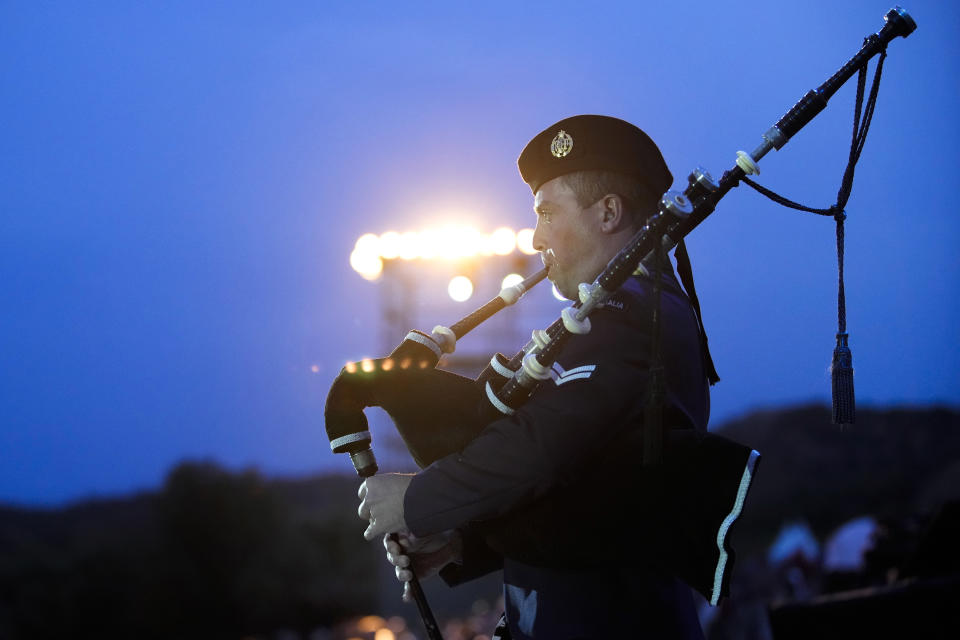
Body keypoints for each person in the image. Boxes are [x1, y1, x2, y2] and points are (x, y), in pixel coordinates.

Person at [358, 115, 712, 639]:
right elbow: (587, 495)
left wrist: (416, 500)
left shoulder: (631, 317)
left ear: (609, 212)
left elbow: (539, 446)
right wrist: (465, 539)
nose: (537, 236)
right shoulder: (635, 312)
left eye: (547, 213)